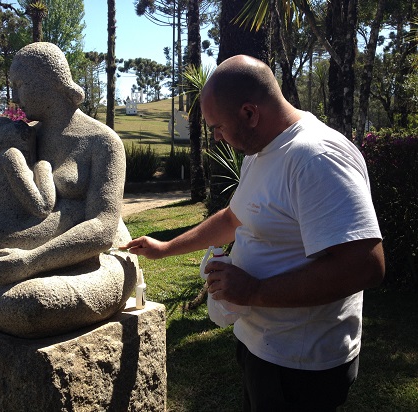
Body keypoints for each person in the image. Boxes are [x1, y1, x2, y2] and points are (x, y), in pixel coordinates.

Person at [124, 55, 385, 411]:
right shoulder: (260, 150)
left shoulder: (316, 157)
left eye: (217, 127)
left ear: (249, 113)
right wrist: (165, 247)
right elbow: (234, 218)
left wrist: (255, 290)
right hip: (262, 348)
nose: (215, 137)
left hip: (302, 367)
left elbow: (364, 266)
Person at [0, 42, 137, 338]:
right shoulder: (25, 138)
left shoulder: (102, 143)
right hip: (15, 245)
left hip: (86, 259)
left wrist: (30, 262)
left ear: (47, 81)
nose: (15, 96)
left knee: (33, 304)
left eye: (20, 85)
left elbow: (103, 227)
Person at [0, 116, 58, 251]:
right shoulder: (10, 155)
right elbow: (43, 206)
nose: (19, 123)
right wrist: (43, 168)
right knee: (73, 213)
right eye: (8, 124)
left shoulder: (1, 163)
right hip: (7, 237)